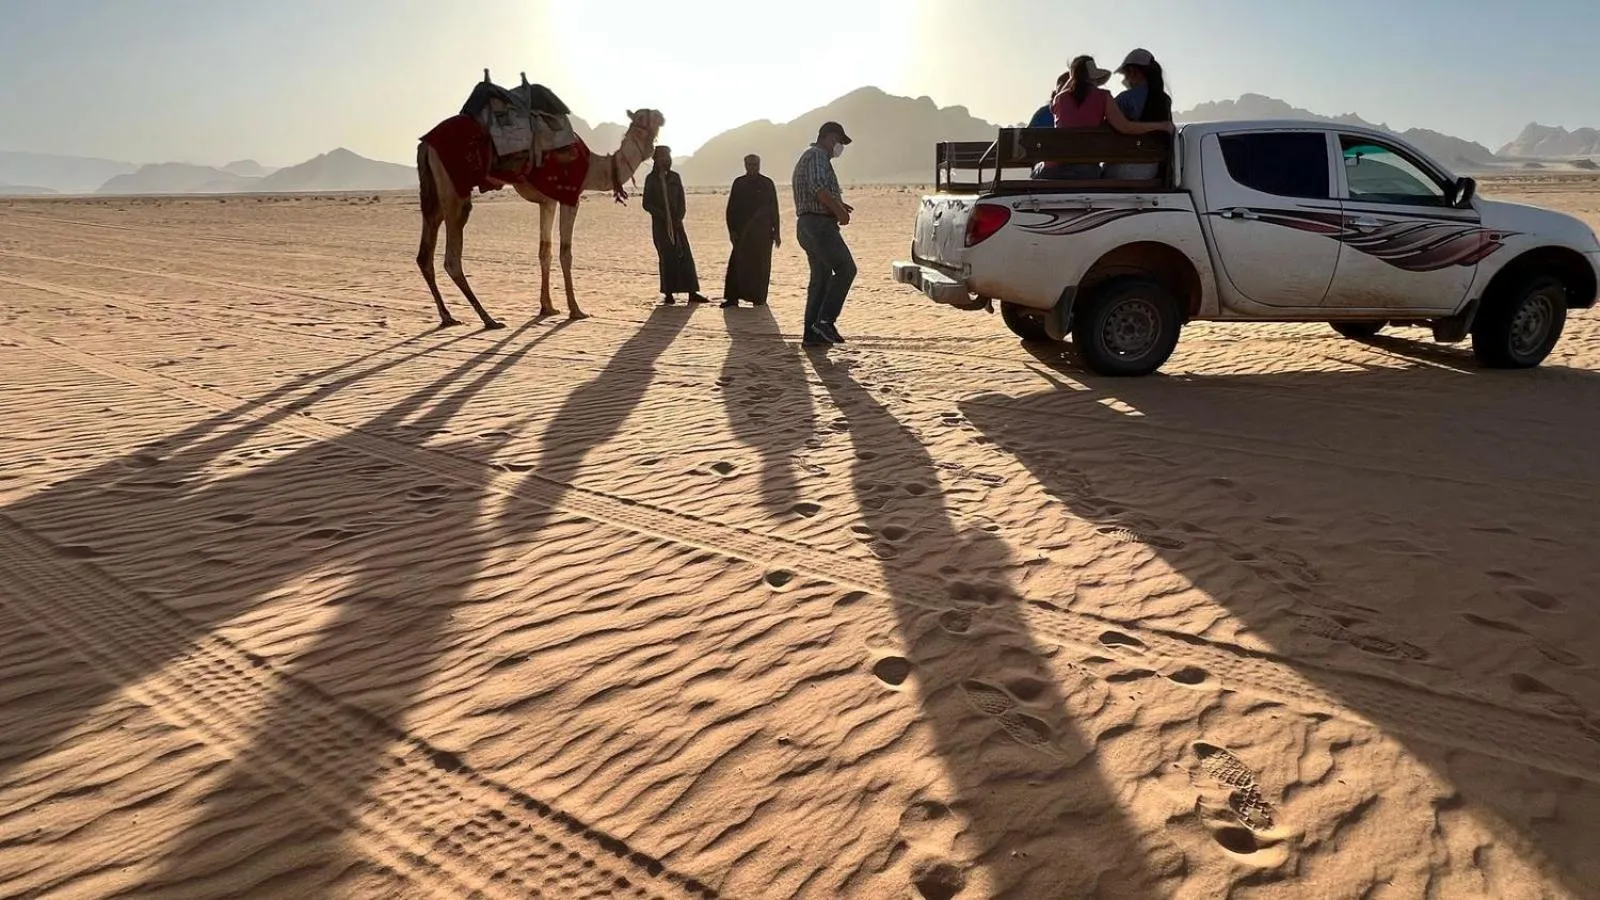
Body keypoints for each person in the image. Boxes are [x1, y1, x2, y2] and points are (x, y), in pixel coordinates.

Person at [1040, 55, 1173, 180]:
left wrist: (1073, 77)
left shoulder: (1059, 99)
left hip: (1053, 171)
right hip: (1088, 172)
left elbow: (1063, 93)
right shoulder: (1103, 97)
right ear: (1094, 77)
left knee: (1039, 166)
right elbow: (1126, 127)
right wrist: (1161, 125)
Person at [791, 121, 855, 348]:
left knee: (821, 278)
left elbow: (816, 191)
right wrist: (838, 211)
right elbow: (818, 188)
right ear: (829, 138)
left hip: (809, 225)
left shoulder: (812, 157)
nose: (840, 148)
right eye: (839, 142)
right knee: (846, 268)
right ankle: (825, 321)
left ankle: (812, 333)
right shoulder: (817, 156)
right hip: (818, 226)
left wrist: (838, 204)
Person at [642, 145, 709, 304]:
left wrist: (678, 217)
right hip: (660, 225)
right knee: (667, 257)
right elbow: (647, 203)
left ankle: (692, 292)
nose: (666, 159)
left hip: (677, 223)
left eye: (668, 156)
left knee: (684, 255)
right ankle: (669, 293)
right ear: (656, 159)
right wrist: (662, 215)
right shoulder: (651, 179)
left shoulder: (675, 177)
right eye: (663, 156)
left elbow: (681, 200)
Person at [721, 154, 781, 309]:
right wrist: (731, 230)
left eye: (755, 164)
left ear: (759, 165)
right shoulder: (739, 183)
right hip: (742, 232)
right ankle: (732, 298)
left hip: (762, 232)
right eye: (750, 164)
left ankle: (758, 298)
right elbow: (731, 209)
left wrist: (777, 232)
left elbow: (774, 208)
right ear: (745, 165)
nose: (753, 167)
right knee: (737, 265)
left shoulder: (767, 183)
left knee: (761, 266)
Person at [1107, 48, 1174, 180]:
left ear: (1133, 72)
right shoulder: (1165, 99)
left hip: (1126, 169)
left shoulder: (1125, 99)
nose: (1125, 79)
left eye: (1125, 74)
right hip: (1153, 170)